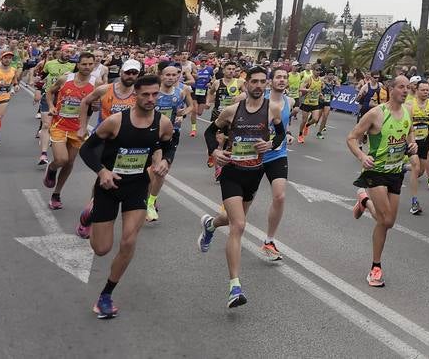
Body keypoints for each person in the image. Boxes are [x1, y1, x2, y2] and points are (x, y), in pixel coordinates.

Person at [78, 73, 174, 319]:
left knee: (129, 241)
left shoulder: (163, 123)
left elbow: (169, 143)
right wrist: (102, 171)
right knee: (101, 248)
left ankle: (106, 295)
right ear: (136, 96)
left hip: (137, 186)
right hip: (109, 187)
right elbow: (87, 150)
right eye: (146, 94)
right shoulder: (115, 122)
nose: (151, 99)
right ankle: (91, 210)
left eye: (155, 94)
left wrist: (165, 160)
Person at [197, 67, 285, 308]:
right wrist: (214, 152)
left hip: (254, 173)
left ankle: (210, 224)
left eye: (261, 82)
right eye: (253, 81)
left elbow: (280, 134)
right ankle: (234, 286)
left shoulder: (273, 109)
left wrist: (270, 144)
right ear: (246, 85)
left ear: (266, 85)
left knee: (229, 219)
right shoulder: (232, 111)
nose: (258, 85)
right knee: (239, 225)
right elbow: (210, 132)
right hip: (232, 173)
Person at [347, 74, 416, 287]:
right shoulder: (376, 114)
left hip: (395, 171)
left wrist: (412, 146)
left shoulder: (408, 111)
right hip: (375, 170)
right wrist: (362, 156)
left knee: (389, 222)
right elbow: (351, 138)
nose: (405, 91)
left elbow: (410, 134)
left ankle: (364, 202)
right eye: (401, 87)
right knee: (384, 220)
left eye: (408, 87)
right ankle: (375, 267)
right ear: (391, 89)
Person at [43, 53, 96, 209]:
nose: (87, 67)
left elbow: (96, 105)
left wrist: (95, 109)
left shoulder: (96, 83)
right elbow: (50, 91)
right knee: (61, 160)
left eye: (90, 64)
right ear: (77, 65)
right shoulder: (65, 79)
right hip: (59, 124)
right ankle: (52, 168)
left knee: (70, 162)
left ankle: (56, 194)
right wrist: (52, 107)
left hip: (78, 129)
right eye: (84, 64)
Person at [146, 64, 194, 222]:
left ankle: (151, 202)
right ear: (161, 75)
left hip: (171, 135)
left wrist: (183, 114)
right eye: (168, 75)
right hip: (151, 135)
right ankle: (147, 199)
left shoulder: (182, 91)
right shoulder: (153, 93)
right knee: (152, 169)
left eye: (175, 75)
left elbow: (191, 106)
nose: (171, 78)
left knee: (161, 170)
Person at [260, 66, 295, 261]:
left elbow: (284, 125)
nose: (282, 80)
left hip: (277, 154)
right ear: (270, 80)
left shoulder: (289, 101)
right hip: (254, 155)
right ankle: (215, 223)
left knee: (280, 197)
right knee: (243, 205)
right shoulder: (259, 99)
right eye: (278, 77)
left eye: (285, 77)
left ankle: (269, 240)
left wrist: (287, 134)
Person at [405, 78, 429, 215]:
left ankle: (402, 168)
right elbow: (405, 122)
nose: (425, 92)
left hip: (425, 141)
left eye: (427, 90)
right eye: (422, 90)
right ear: (416, 91)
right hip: (412, 141)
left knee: (420, 171)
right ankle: (414, 202)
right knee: (416, 167)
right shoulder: (409, 105)